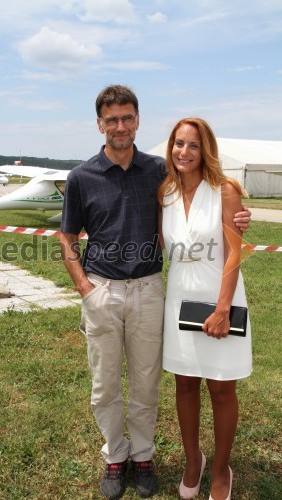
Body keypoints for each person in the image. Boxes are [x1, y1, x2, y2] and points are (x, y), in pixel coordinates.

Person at [59, 86, 251, 499]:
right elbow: (66, 235)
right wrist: (84, 287)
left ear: (138, 121)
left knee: (148, 384)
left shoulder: (157, 175)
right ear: (100, 125)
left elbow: (202, 225)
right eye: (112, 120)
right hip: (105, 291)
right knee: (105, 385)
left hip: (151, 291)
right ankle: (115, 457)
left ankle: (144, 457)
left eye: (127, 118)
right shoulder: (82, 177)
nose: (121, 126)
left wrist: (237, 220)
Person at [158, 117, 252, 500]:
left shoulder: (225, 190)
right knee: (184, 383)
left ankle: (219, 468)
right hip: (179, 294)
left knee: (221, 387)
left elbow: (234, 253)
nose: (184, 152)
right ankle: (192, 460)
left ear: (205, 149)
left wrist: (223, 307)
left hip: (220, 296)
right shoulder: (164, 192)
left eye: (193, 145)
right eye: (179, 144)